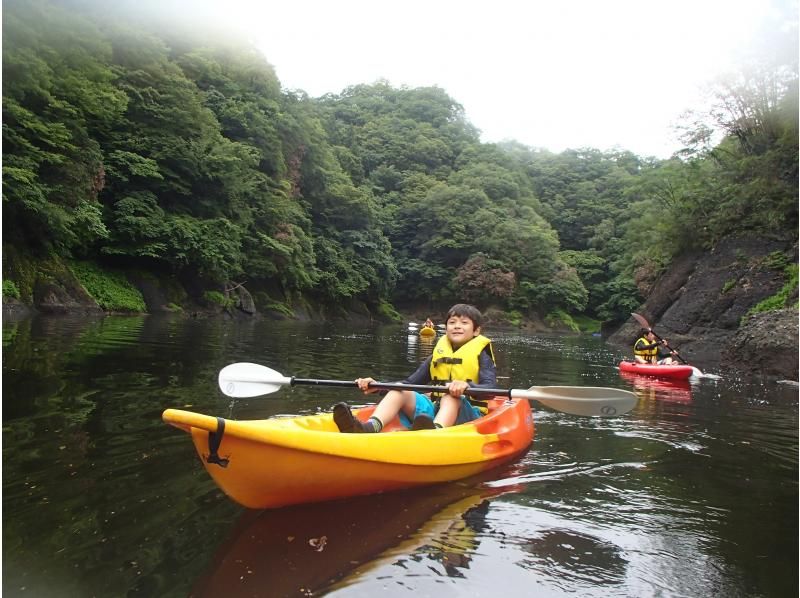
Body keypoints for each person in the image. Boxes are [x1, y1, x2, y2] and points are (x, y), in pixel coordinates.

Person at [333, 303, 496, 433]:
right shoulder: (437, 356)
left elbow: (490, 389)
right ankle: (369, 428)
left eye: (464, 323)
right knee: (400, 389)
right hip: (436, 411)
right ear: (446, 328)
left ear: (476, 331)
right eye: (452, 322)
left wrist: (467, 386)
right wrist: (377, 386)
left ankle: (433, 434)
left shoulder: (482, 355)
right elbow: (410, 382)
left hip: (470, 415)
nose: (457, 326)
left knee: (450, 397)